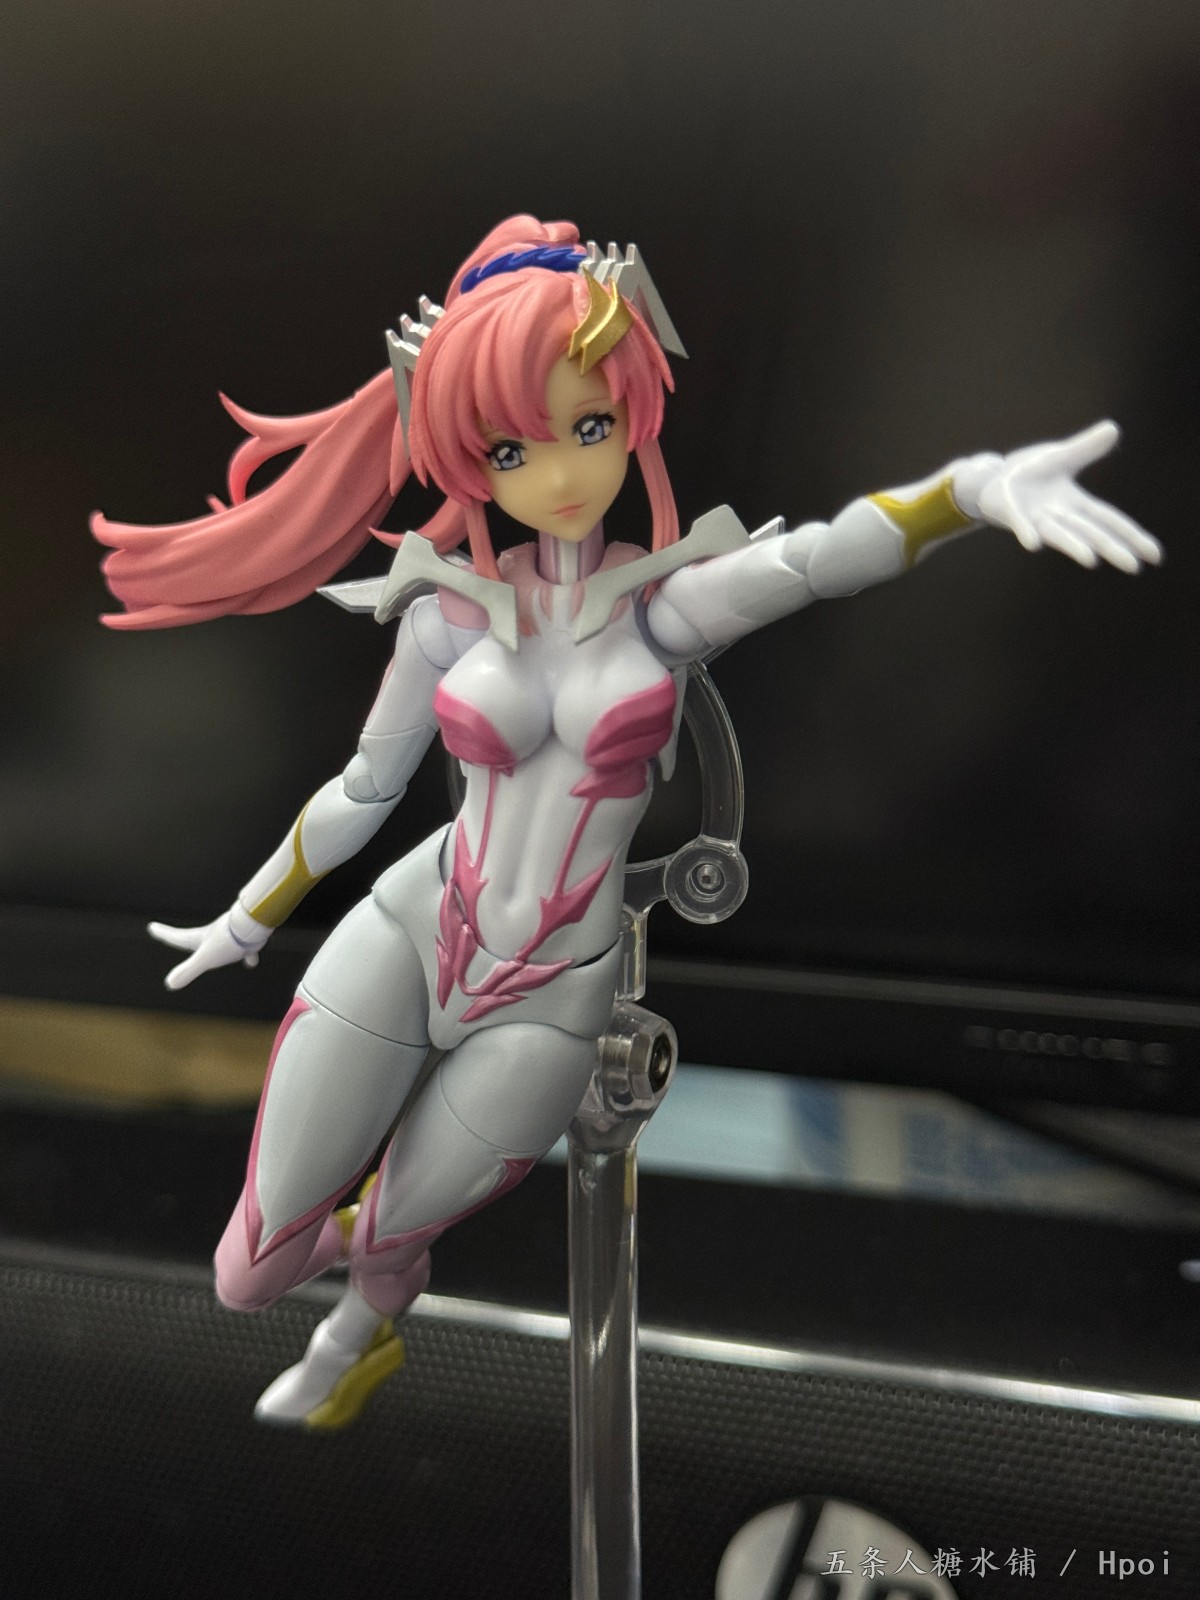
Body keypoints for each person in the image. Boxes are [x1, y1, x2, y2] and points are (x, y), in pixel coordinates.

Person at [94, 214, 1160, 1428]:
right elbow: (361, 791)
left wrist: (967, 492)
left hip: (554, 996)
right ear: (468, 456)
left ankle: (359, 1326)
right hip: (412, 929)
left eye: (589, 426)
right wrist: (246, 918)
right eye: (513, 445)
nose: (558, 473)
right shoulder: (444, 616)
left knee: (390, 1231)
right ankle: (360, 1277)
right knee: (246, 1271)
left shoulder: (667, 613)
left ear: (633, 414)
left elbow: (823, 559)